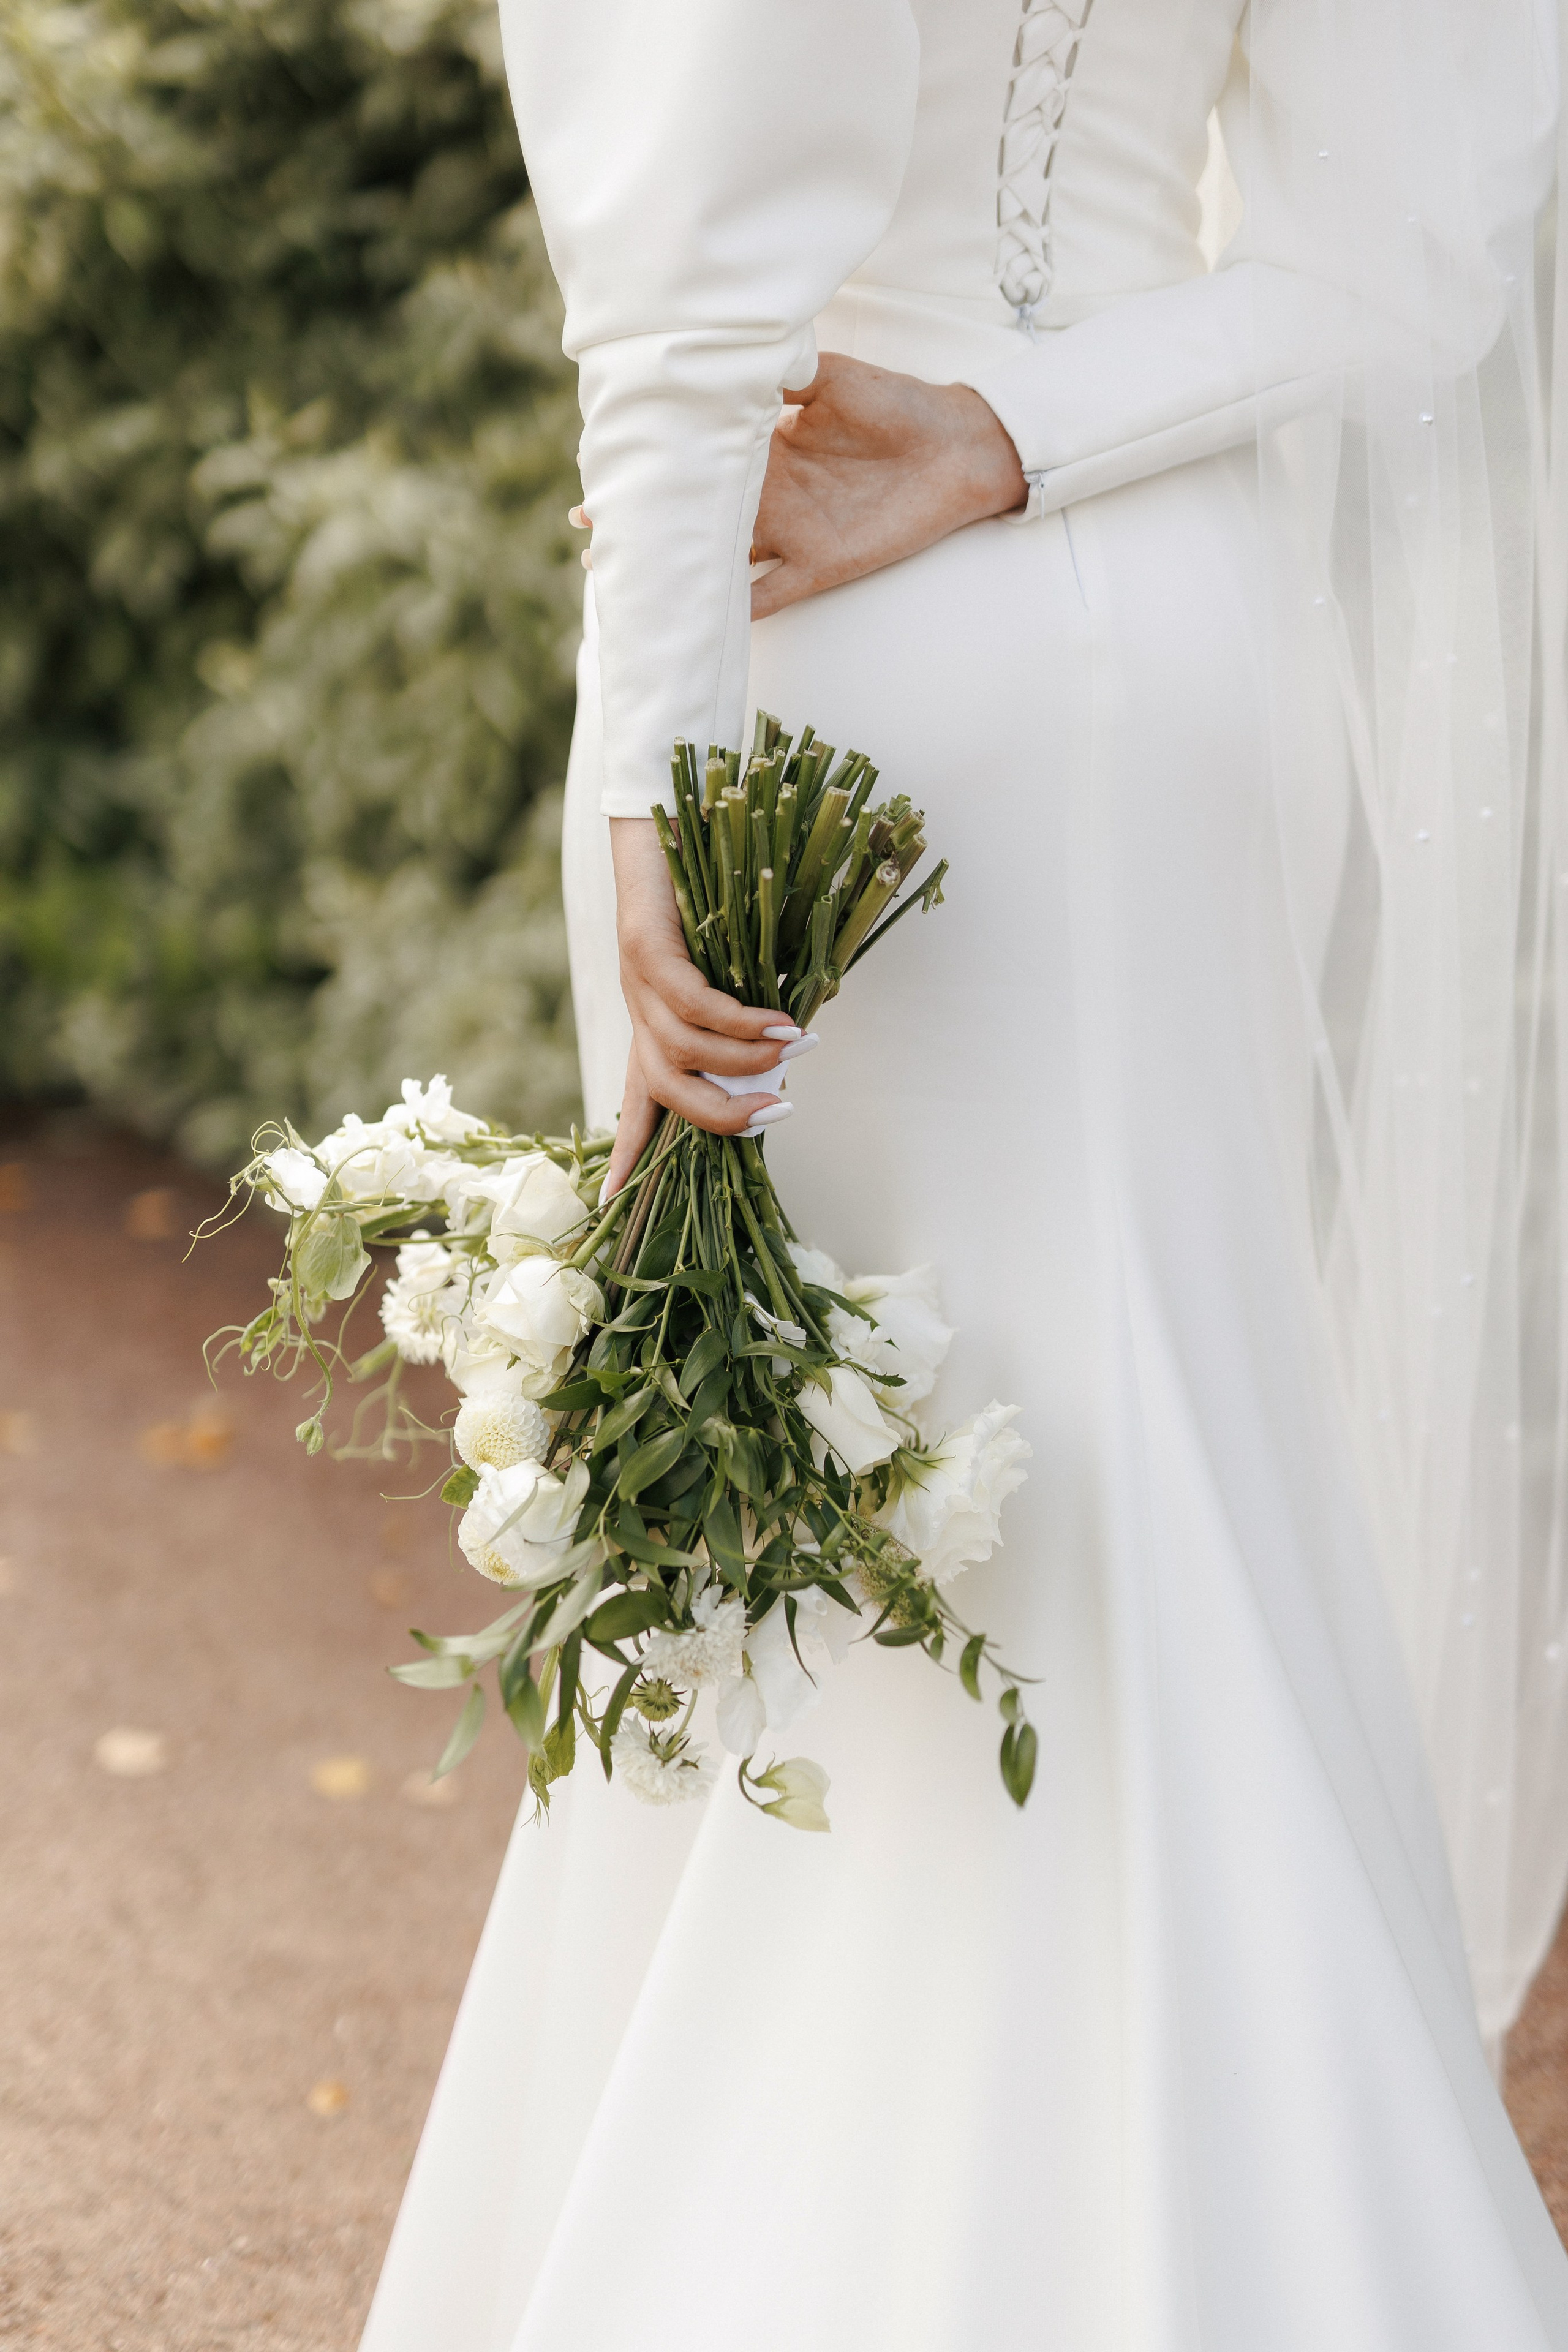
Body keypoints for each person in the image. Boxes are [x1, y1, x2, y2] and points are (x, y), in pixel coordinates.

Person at [361, 3, 1568, 2344]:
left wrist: (654, 770)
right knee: (1147, 1456)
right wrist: (1029, 432)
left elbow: (695, 277)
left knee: (811, 1500)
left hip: (822, 605)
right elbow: (1405, 263)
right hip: (1193, 633)